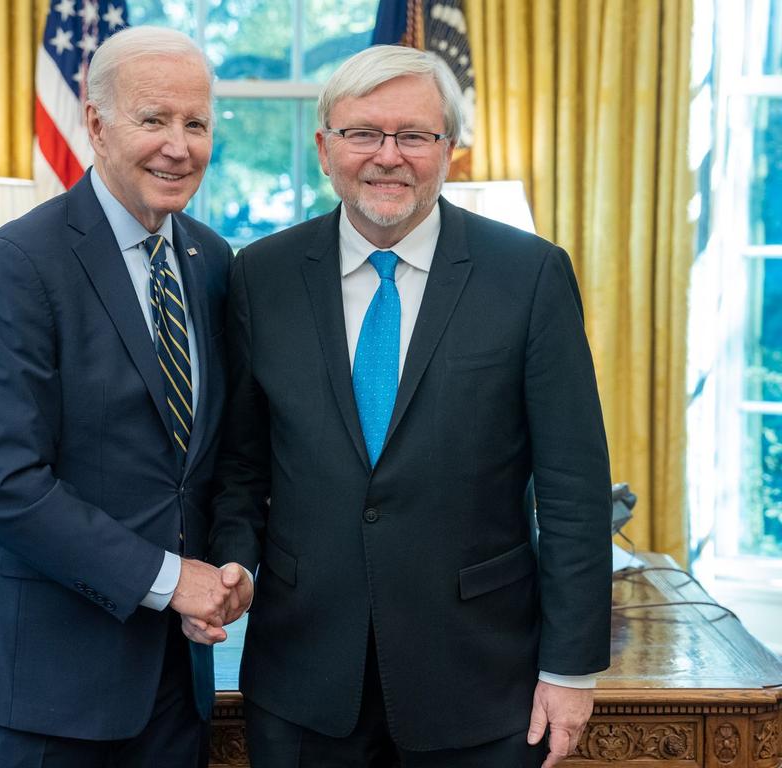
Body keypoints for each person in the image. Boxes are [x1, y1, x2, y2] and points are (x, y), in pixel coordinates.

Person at [206, 44, 612, 768]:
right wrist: (233, 559)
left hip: (482, 682)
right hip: (303, 680)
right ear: (325, 146)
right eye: (363, 133)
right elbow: (242, 464)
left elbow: (574, 489)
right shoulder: (259, 276)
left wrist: (570, 668)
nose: (387, 156)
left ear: (448, 150)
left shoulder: (529, 276)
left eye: (414, 135)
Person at [0, 26, 251, 768]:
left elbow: (224, 457)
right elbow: (5, 487)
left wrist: (235, 566)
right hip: (47, 696)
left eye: (196, 123)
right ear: (97, 122)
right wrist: (174, 581)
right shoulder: (17, 264)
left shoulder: (213, 262)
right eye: (154, 119)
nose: (180, 145)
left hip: (178, 687)